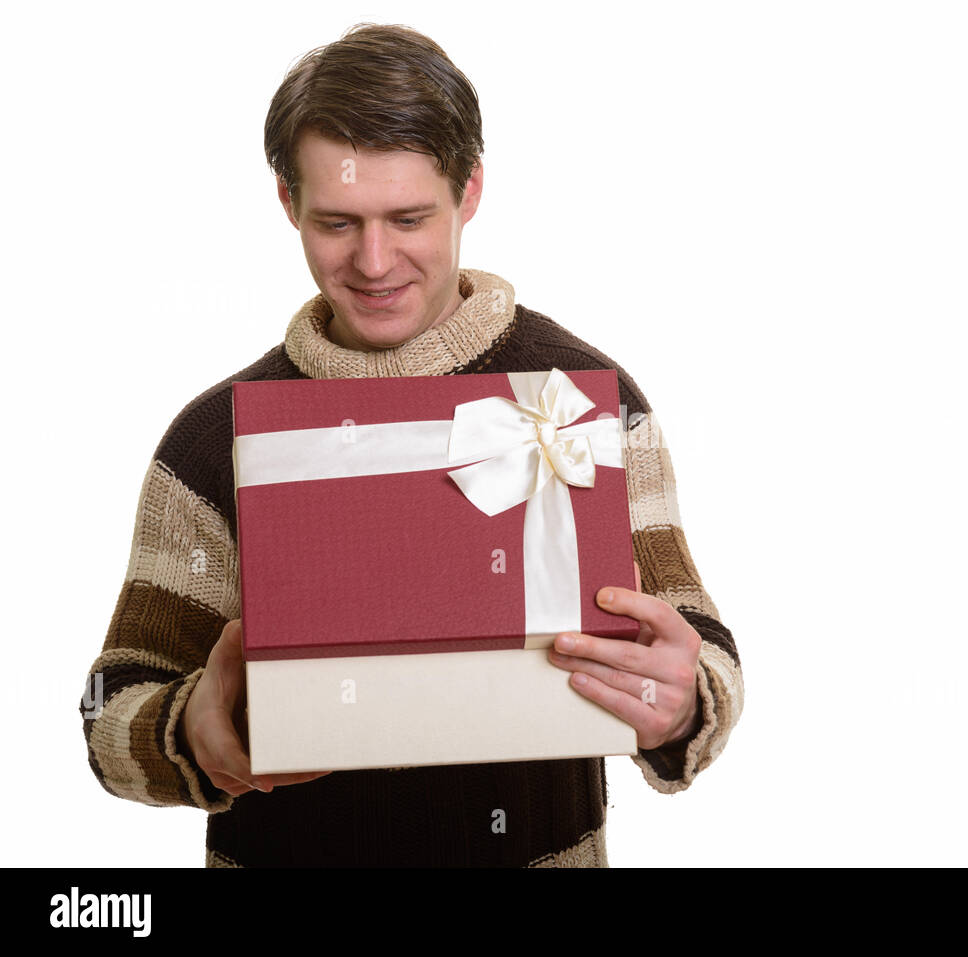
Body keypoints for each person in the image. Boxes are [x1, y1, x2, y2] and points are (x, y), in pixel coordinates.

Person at [79, 22, 743, 867]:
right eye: (336, 222)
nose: (374, 260)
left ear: (469, 191)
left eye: (409, 217)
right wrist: (188, 730)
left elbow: (697, 639)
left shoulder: (584, 405)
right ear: (286, 202)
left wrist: (690, 701)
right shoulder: (215, 439)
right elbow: (107, 706)